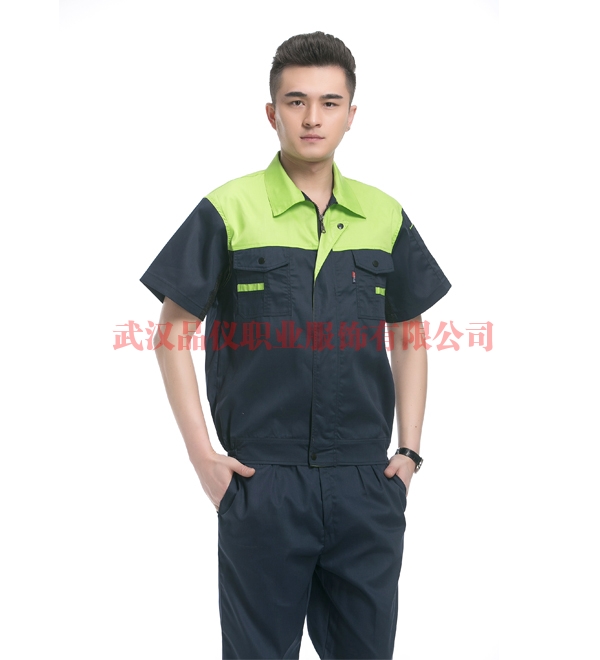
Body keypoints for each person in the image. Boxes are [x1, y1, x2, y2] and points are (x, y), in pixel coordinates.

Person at [140, 31, 451, 660]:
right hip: (263, 482)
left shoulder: (384, 215)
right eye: (296, 101)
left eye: (330, 102)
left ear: (351, 114)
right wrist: (204, 458)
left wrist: (409, 451)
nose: (313, 117)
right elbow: (171, 334)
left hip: (365, 480)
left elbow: (409, 331)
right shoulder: (228, 208)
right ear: (271, 112)